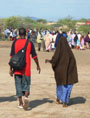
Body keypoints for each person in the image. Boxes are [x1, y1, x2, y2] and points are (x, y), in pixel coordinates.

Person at [9, 28, 41, 110]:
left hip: (16, 68)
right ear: (26, 34)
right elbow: (34, 56)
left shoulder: (15, 42)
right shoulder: (29, 43)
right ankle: (26, 97)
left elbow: (12, 57)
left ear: (18, 34)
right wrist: (38, 65)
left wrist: (10, 69)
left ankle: (20, 103)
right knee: (26, 84)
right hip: (26, 69)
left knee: (18, 85)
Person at [45, 36, 78, 107]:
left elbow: (55, 60)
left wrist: (49, 61)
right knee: (67, 86)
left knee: (59, 85)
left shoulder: (58, 52)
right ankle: (64, 102)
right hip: (68, 73)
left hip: (60, 73)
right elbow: (73, 63)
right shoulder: (70, 52)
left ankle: (58, 98)